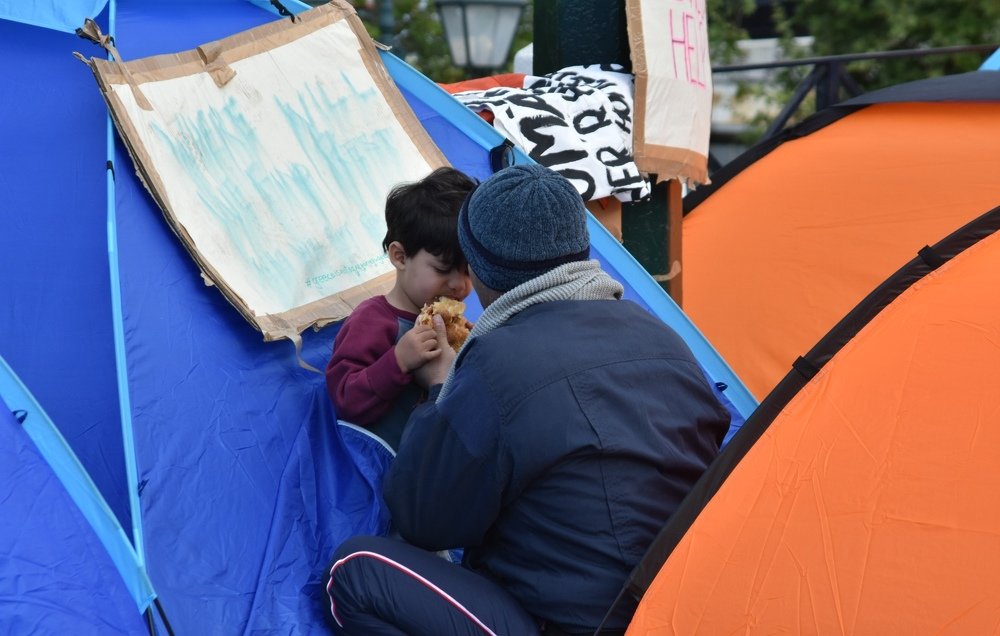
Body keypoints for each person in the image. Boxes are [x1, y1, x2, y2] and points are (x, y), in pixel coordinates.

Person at [324, 164, 730, 634]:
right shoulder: (666, 340)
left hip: (569, 622)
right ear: (579, 248)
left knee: (352, 571)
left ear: (479, 268)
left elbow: (422, 519)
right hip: (682, 610)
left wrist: (441, 387)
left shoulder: (497, 362)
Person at [326, 166, 475, 450]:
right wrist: (398, 361)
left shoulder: (457, 328)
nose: (459, 285)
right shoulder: (373, 320)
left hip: (422, 470)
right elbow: (345, 398)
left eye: (468, 271)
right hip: (374, 462)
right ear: (400, 256)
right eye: (443, 269)